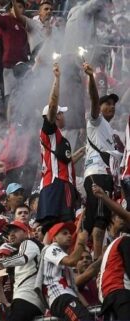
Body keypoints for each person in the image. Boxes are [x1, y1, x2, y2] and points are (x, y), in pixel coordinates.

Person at [83, 62, 122, 259]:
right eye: (107, 103)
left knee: (90, 223)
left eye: (113, 104)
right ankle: (98, 263)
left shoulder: (112, 132)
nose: (111, 107)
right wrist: (91, 77)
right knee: (99, 223)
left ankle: (82, 258)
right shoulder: (95, 121)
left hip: (102, 176)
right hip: (99, 174)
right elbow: (93, 98)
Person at [36, 63, 77, 231]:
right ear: (56, 116)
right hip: (59, 183)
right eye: (61, 113)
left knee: (51, 227)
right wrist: (57, 79)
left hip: (49, 184)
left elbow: (63, 161)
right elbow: (52, 104)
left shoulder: (57, 138)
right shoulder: (50, 131)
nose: (63, 116)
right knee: (65, 225)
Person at [36, 222, 92, 321]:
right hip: (60, 297)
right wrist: (81, 243)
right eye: (64, 233)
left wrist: (88, 307)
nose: (69, 235)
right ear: (54, 238)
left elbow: (74, 289)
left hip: (66, 297)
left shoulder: (63, 257)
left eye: (70, 233)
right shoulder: (51, 248)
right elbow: (72, 261)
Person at [0, 220, 44, 320]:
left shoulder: (28, 242)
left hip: (27, 298)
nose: (11, 234)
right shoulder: (17, 256)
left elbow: (23, 258)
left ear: (26, 233)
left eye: (15, 231)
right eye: (9, 233)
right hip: (27, 300)